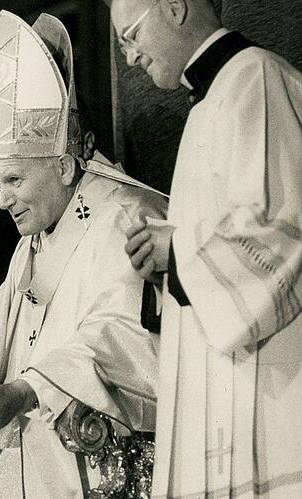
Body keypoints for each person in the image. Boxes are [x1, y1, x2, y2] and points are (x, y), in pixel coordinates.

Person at [0, 11, 167, 498]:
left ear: (62, 166)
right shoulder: (32, 241)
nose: (1, 200)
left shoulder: (127, 215)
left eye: (13, 180)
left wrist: (22, 391)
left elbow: (126, 336)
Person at [113, 1, 302, 496]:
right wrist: (165, 267)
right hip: (225, 382)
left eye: (131, 36)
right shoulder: (210, 103)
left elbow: (278, 234)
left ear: (175, 8)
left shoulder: (255, 79)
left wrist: (176, 253)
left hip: (270, 389)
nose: (129, 57)